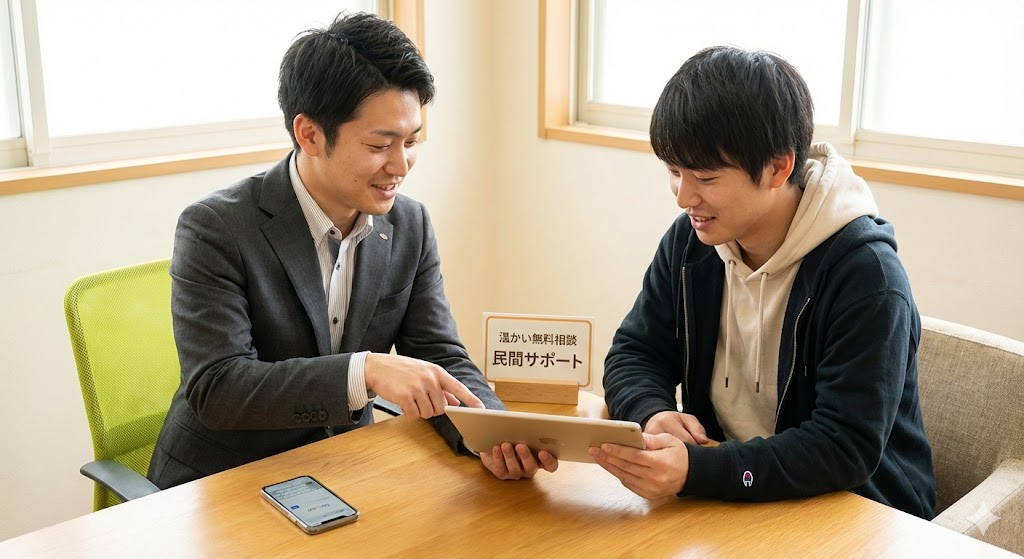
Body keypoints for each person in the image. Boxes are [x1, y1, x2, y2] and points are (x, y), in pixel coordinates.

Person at [148, 12, 556, 489]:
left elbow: (438, 353)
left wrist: (494, 433)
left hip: (344, 467)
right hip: (224, 481)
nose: (401, 165)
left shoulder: (409, 224)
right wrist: (365, 370)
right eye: (380, 145)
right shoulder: (216, 227)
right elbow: (218, 387)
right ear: (310, 134)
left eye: (411, 141)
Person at [590, 46, 936, 519]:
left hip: (857, 511)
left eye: (705, 177)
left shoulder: (866, 275)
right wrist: (652, 413)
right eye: (673, 172)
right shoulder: (692, 243)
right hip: (730, 496)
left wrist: (700, 470)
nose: (684, 197)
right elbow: (635, 352)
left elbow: (843, 447)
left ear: (778, 167)